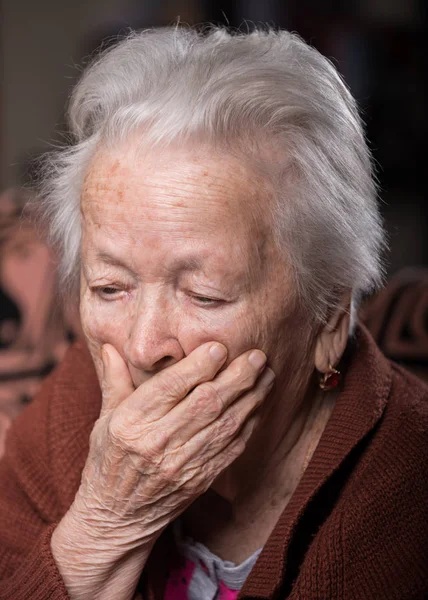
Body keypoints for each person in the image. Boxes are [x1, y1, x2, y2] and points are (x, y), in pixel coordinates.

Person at [0, 26, 427, 600]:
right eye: (109, 287)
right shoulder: (76, 404)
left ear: (327, 315)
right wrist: (105, 526)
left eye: (204, 295)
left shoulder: (405, 496)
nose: (144, 345)